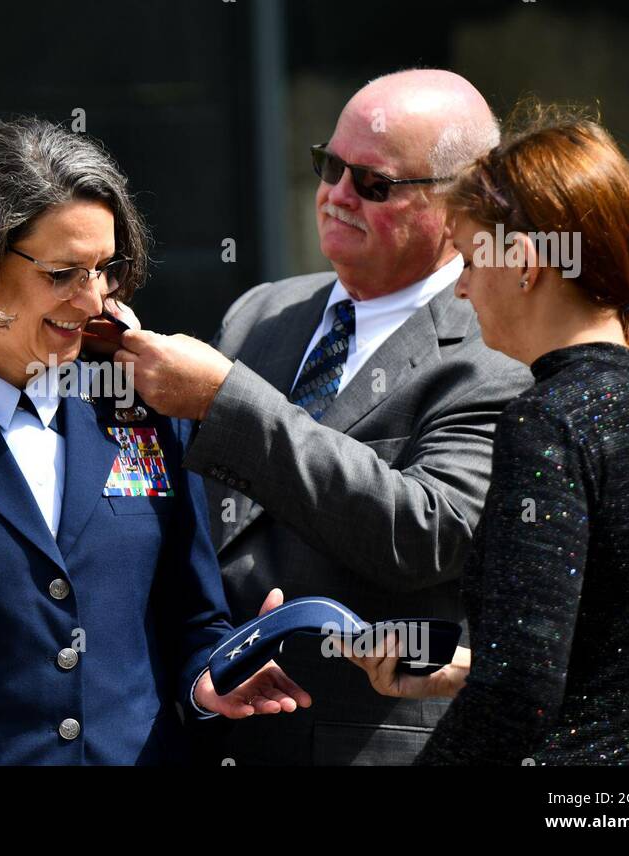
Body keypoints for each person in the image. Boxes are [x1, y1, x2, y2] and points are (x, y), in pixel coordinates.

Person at [0, 118, 304, 765]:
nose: (93, 298)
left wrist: (214, 681)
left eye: (107, 268)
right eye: (64, 273)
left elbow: (191, 617)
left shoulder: (141, 402)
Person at [110, 69, 532, 765]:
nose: (335, 195)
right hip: (214, 727)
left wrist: (225, 400)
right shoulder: (263, 311)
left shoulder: (493, 345)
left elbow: (425, 531)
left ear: (463, 200)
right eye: (328, 165)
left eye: (372, 183)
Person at [344, 104, 629, 765]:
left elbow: (520, 692)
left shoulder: (549, 419)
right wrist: (474, 667)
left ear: (523, 263)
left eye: (468, 260)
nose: (462, 289)